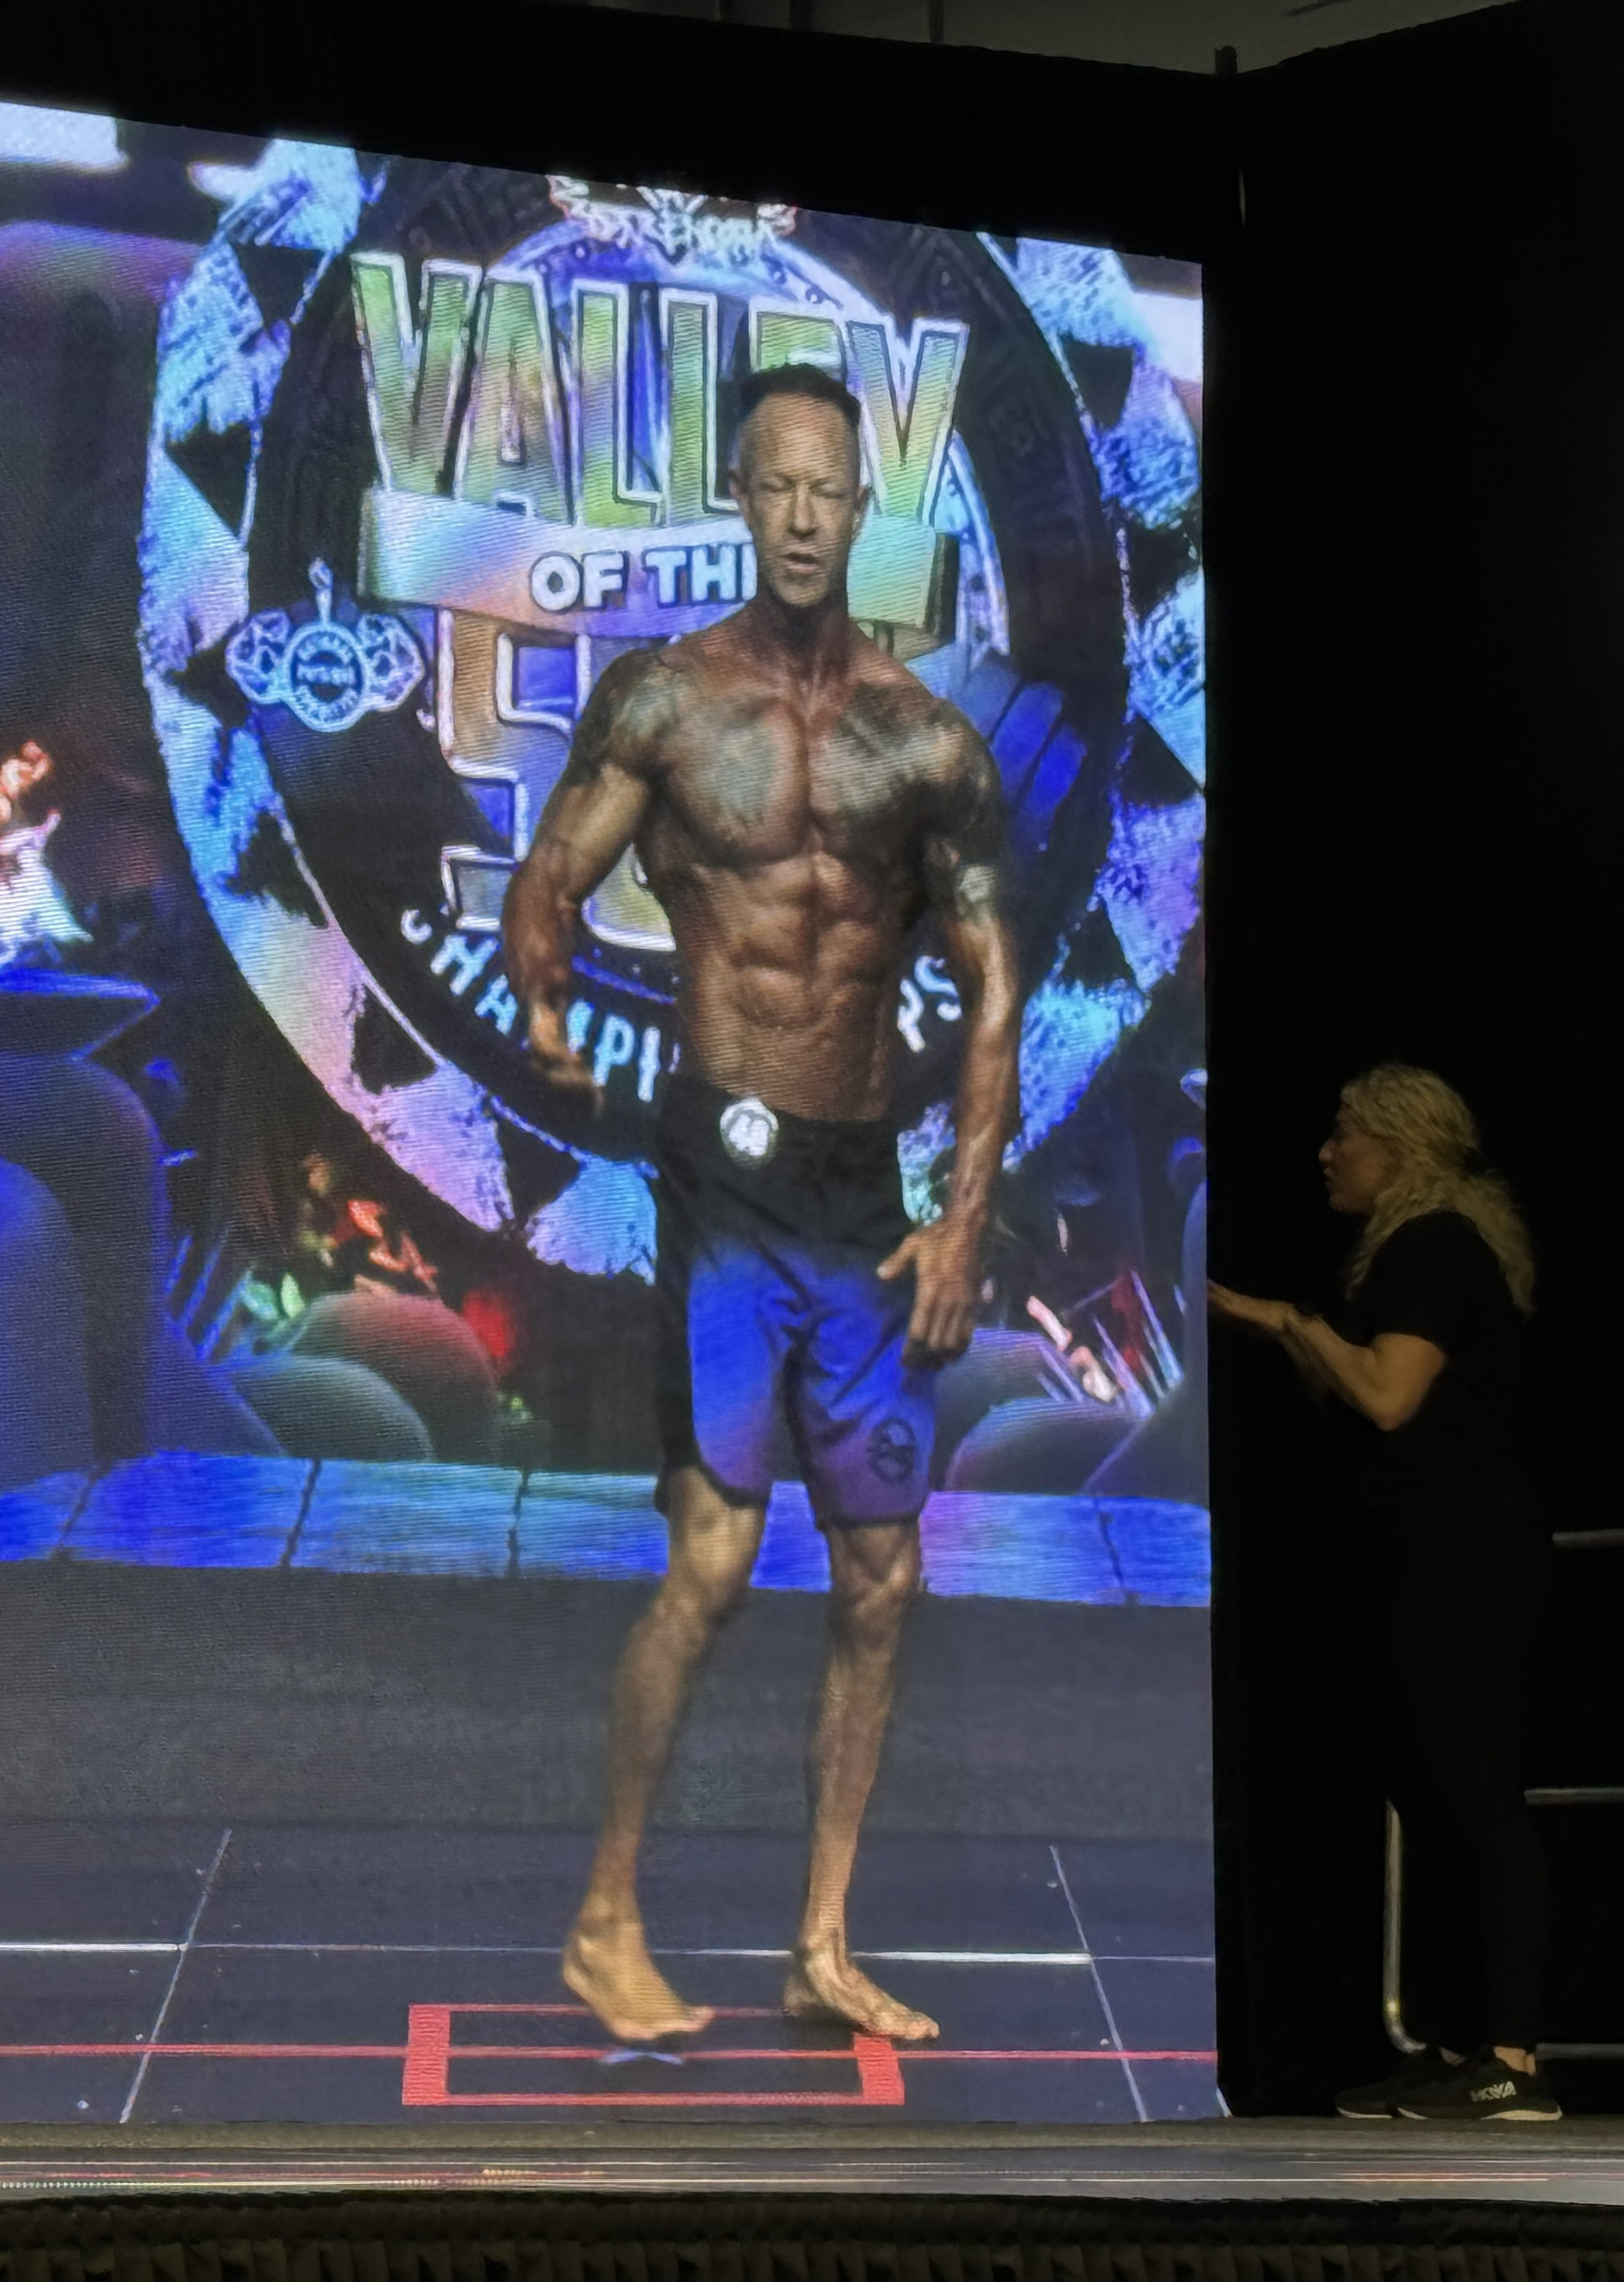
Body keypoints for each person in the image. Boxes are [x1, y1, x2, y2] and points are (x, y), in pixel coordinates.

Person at [508, 360, 1022, 2048]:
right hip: (725, 1175)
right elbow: (551, 878)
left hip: (861, 1193)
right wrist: (545, 1005)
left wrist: (961, 1218)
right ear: (741, 497)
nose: (803, 517)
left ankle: (822, 1943)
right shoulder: (668, 703)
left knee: (882, 1576)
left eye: (829, 491)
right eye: (776, 487)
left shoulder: (927, 742)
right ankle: (604, 1918)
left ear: (864, 509)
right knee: (717, 1557)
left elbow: (995, 990)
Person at [1212, 1066, 1553, 2122]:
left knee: (1476, 1793)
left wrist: (1289, 1319)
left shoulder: (1431, 1245)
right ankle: (1453, 2044)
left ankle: (1513, 2056)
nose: (1326, 1152)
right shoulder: (1413, 1248)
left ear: (1399, 1147)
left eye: (1345, 1134)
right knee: (1427, 1793)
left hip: (1462, 1553)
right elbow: (1360, 1401)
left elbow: (1388, 1397)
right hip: (1416, 1548)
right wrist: (1283, 1333)